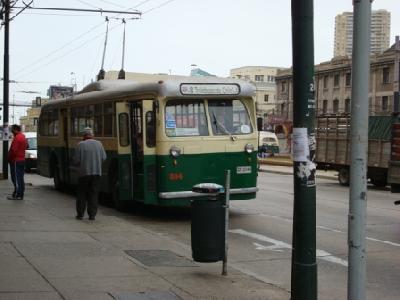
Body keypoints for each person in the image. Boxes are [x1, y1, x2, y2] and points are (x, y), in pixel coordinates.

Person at [74, 127, 106, 220]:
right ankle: (92, 215)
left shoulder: (80, 145)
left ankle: (80, 214)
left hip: (84, 174)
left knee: (82, 194)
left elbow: (76, 160)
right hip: (97, 173)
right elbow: (104, 158)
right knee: (93, 194)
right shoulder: (99, 144)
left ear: (84, 136)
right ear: (92, 135)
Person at [7, 124, 28, 200]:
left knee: (16, 178)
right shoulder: (23, 136)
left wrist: (8, 158)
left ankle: (18, 194)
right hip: (22, 160)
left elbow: (13, 151)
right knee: (20, 177)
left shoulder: (17, 138)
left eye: (12, 130)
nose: (12, 132)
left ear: (15, 130)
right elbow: (27, 146)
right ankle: (20, 193)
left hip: (16, 161)